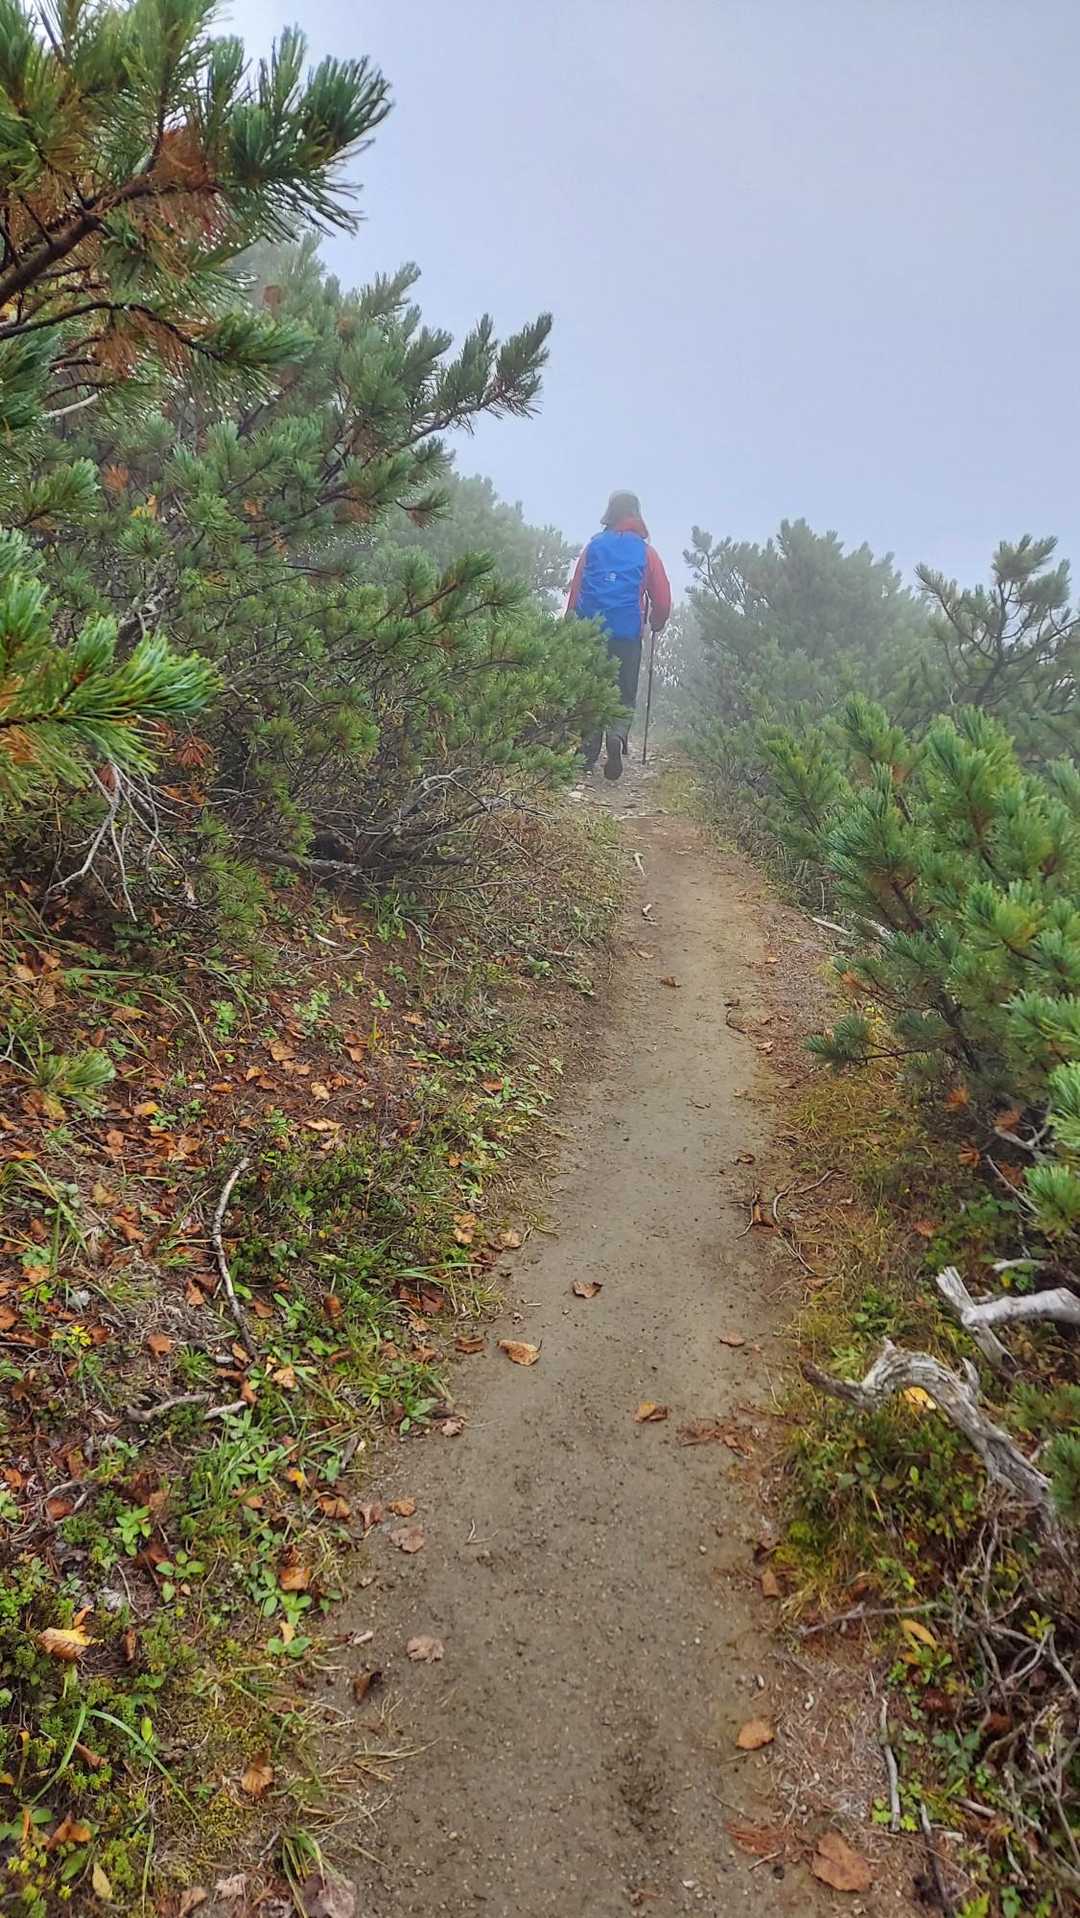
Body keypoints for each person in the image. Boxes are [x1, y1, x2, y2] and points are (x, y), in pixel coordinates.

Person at [566, 490, 672, 780]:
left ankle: (587, 754)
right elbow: (662, 600)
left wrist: (570, 628)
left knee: (589, 689)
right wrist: (656, 622)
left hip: (590, 631)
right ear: (636, 515)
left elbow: (576, 592)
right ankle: (616, 734)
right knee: (623, 690)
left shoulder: (593, 547)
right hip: (626, 634)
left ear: (609, 514)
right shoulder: (647, 553)